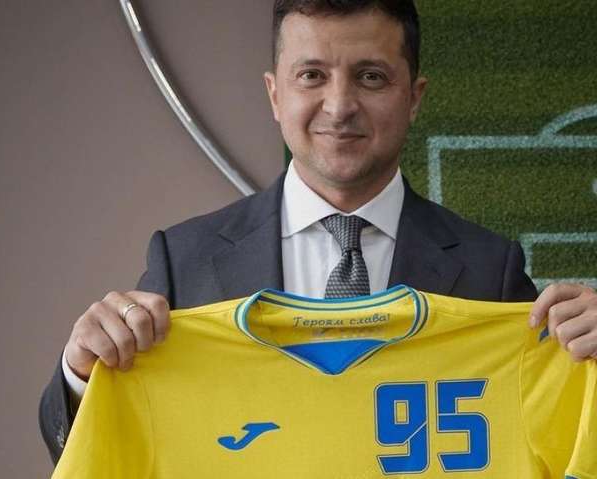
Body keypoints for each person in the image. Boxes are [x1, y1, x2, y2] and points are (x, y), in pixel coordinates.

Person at [39, 0, 597, 464]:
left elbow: (564, 443)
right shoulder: (185, 260)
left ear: (414, 97)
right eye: (312, 76)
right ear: (274, 94)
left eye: (371, 77)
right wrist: (84, 375)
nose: (340, 105)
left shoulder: (490, 268)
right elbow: (98, 448)